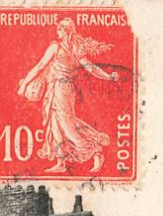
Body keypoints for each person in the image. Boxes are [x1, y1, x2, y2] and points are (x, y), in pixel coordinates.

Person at [17, 16, 119, 174]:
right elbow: (91, 68)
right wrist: (108, 76)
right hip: (58, 88)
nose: (57, 31)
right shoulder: (74, 49)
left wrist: (24, 85)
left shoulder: (57, 47)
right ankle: (61, 162)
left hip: (61, 89)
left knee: (66, 124)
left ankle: (95, 149)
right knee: (55, 125)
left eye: (60, 28)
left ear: (66, 31)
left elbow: (40, 66)